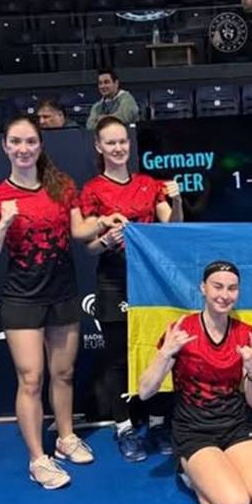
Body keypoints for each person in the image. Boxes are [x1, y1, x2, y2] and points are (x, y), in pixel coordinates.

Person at [0, 115, 121, 489]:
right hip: (22, 298)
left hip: (63, 294)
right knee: (31, 379)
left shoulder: (62, 185)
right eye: (16, 142)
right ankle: (38, 458)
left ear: (40, 146)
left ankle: (66, 437)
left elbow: (79, 231)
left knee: (64, 373)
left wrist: (104, 221)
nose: (23, 149)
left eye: (30, 142)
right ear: (5, 147)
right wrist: (4, 224)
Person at [138, 261, 252, 504]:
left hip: (236, 426)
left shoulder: (245, 333)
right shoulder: (181, 331)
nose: (224, 295)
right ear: (203, 288)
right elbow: (145, 392)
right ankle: (189, 474)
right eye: (217, 286)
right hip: (194, 431)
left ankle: (218, 470)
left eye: (232, 288)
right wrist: (165, 354)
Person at [79, 116, 183, 462]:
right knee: (118, 360)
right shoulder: (92, 190)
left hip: (152, 282)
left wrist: (177, 201)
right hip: (114, 281)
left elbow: (173, 227)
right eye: (110, 142)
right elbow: (88, 247)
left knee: (159, 352)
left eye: (122, 141)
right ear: (99, 147)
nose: (118, 148)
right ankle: (124, 427)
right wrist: (106, 241)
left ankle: (158, 423)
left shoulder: (149, 184)